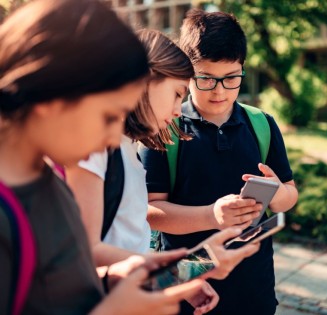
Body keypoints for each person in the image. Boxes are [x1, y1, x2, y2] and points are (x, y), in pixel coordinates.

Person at [0, 1, 227, 314]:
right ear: (53, 97)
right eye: (109, 116)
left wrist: (184, 269)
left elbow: (74, 283)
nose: (110, 137)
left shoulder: (52, 192)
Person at [65, 28, 261, 314]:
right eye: (176, 93)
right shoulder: (95, 149)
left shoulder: (125, 150)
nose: (178, 109)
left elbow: (128, 257)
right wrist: (191, 266)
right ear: (144, 80)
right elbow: (87, 254)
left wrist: (181, 276)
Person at [139, 8, 298, 315]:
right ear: (187, 73)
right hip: (187, 283)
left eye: (231, 79)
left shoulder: (261, 124)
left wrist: (278, 193)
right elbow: (149, 211)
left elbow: (288, 198)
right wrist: (212, 216)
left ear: (243, 69)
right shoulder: (165, 125)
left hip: (255, 287)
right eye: (206, 79)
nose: (219, 91)